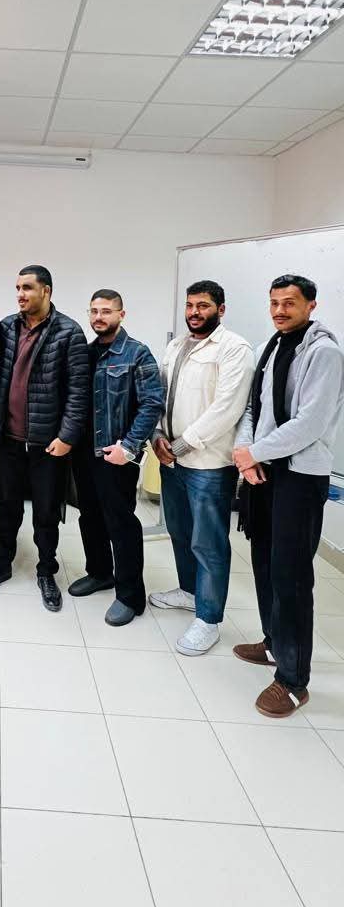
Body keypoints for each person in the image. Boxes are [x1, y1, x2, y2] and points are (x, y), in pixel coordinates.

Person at [232, 274, 344, 717]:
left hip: (299, 476)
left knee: (292, 575)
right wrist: (248, 454)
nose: (279, 310)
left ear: (311, 305)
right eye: (274, 302)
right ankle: (274, 643)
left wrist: (254, 452)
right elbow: (253, 410)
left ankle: (294, 681)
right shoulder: (271, 346)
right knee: (263, 559)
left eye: (289, 303)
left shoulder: (325, 353)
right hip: (264, 471)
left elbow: (310, 423)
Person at [0, 265, 88, 611]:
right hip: (9, 438)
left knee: (45, 513)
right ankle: (1, 564)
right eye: (17, 288)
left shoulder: (69, 332)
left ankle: (46, 571)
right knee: (6, 507)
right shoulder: (7, 326)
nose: (20, 294)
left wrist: (67, 436)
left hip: (47, 443)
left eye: (27, 288)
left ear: (46, 291)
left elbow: (78, 391)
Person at [150, 280, 253, 655]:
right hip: (171, 458)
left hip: (208, 464)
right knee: (179, 531)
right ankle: (189, 591)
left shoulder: (235, 348)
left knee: (208, 543)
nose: (194, 312)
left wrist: (180, 445)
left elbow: (227, 409)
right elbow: (159, 395)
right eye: (190, 305)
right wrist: (157, 435)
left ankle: (208, 620)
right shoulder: (176, 346)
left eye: (203, 306)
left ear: (220, 310)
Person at [69, 290, 165, 625]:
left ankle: (130, 596)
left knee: (120, 523)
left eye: (106, 311)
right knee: (89, 516)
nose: (99, 317)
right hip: (84, 452)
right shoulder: (85, 353)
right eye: (94, 311)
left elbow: (152, 403)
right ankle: (99, 573)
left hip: (117, 454)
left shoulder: (137, 353)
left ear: (121, 314)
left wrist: (129, 446)